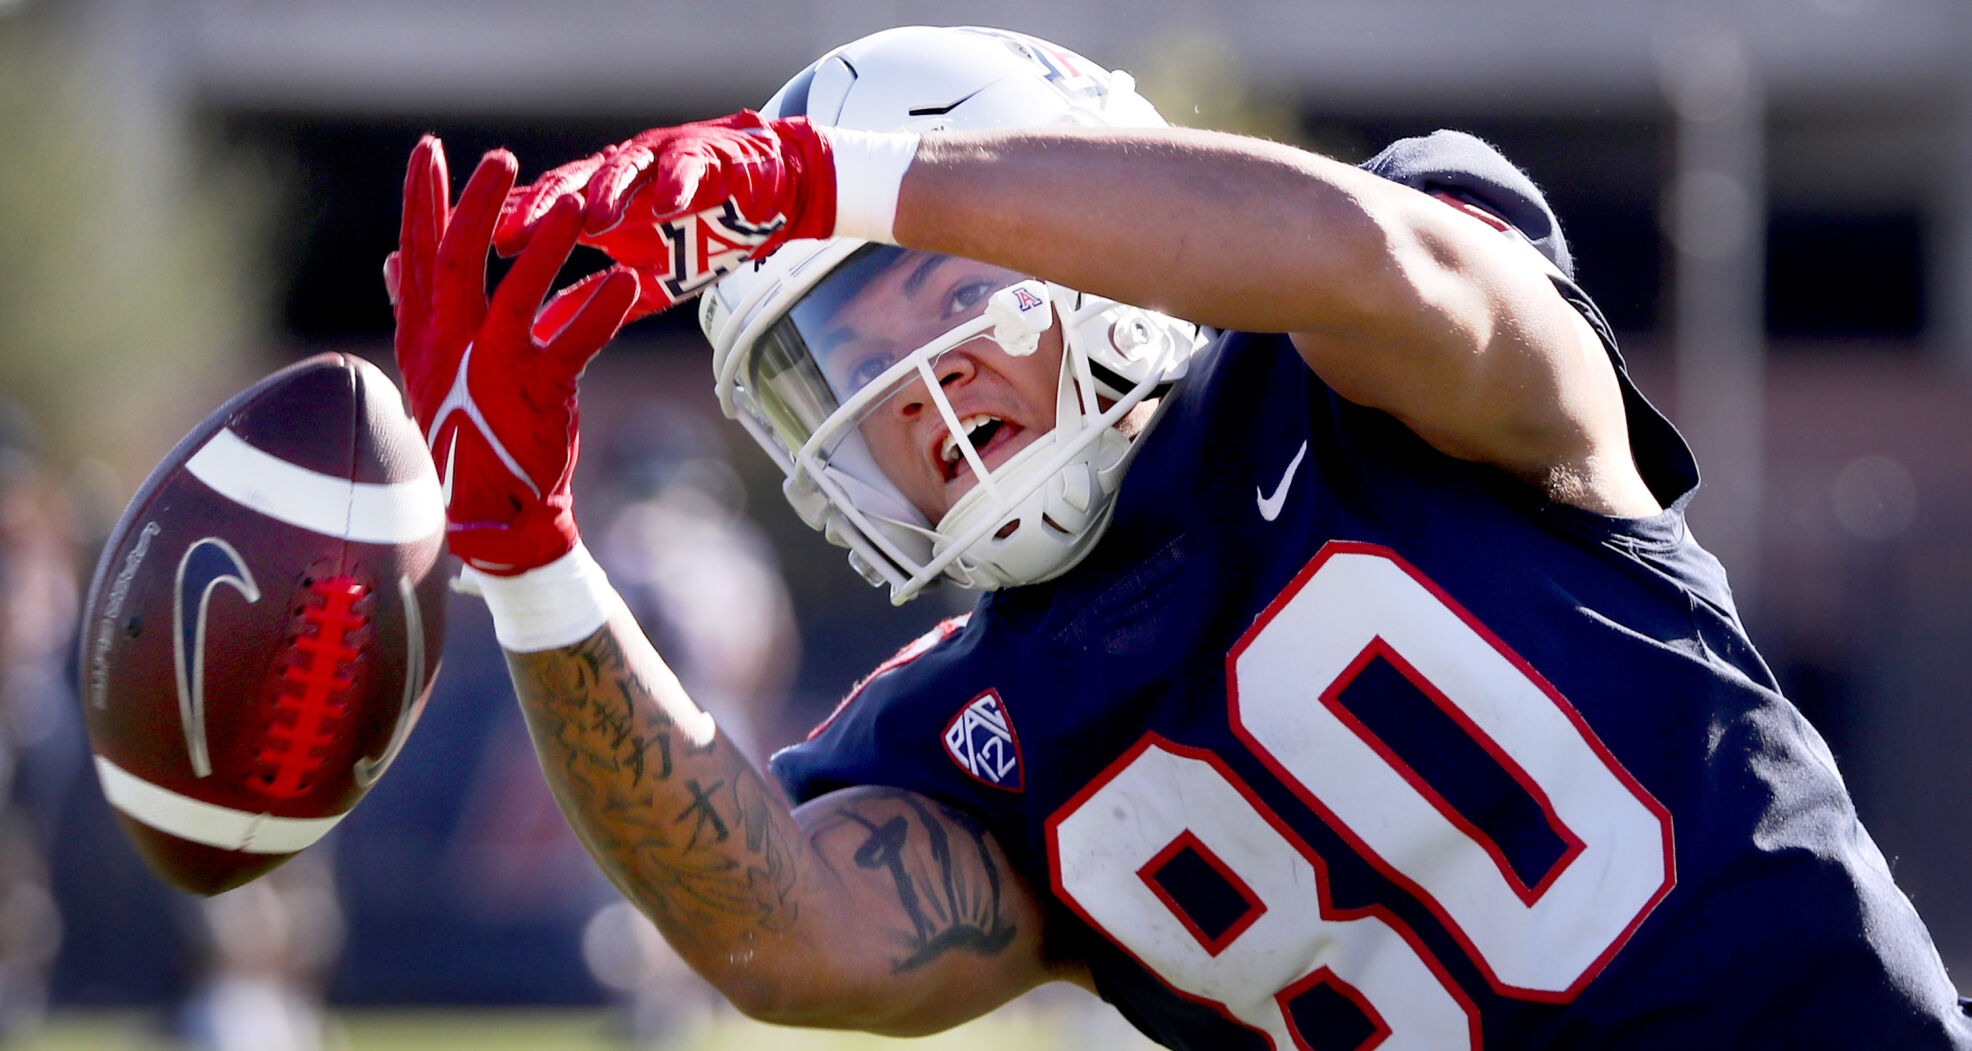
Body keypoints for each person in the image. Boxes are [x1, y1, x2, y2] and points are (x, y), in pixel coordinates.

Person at [386, 24, 1972, 1049]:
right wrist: (525, 555)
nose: (919, 382)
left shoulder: (1367, 374)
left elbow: (1365, 255)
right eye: (849, 363)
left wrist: (832, 183)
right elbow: (786, 939)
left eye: (946, 291)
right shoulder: (963, 723)